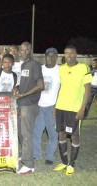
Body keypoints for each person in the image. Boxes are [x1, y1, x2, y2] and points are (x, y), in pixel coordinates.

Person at [53, 45, 92, 175]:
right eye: (66, 53)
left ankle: (71, 164)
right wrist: (55, 106)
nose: (69, 55)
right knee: (61, 134)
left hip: (74, 109)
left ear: (76, 54)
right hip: (61, 107)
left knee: (74, 136)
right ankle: (64, 162)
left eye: (71, 53)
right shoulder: (62, 69)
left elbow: (88, 89)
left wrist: (82, 109)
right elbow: (61, 87)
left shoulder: (83, 67)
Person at [13, 41, 44, 175]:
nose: (24, 52)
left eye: (26, 50)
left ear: (30, 51)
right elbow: (26, 82)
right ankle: (23, 155)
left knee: (26, 134)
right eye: (22, 50)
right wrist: (18, 87)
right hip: (21, 103)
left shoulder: (35, 65)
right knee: (20, 132)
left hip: (29, 104)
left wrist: (24, 94)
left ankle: (29, 165)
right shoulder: (24, 65)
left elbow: (40, 85)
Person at [33, 48, 60, 165]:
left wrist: (57, 105)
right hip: (39, 106)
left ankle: (50, 156)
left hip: (52, 107)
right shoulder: (40, 69)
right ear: (45, 56)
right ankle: (36, 154)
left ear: (56, 57)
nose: (50, 58)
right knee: (36, 132)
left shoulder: (60, 70)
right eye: (48, 55)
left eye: (53, 55)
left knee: (53, 133)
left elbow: (63, 89)